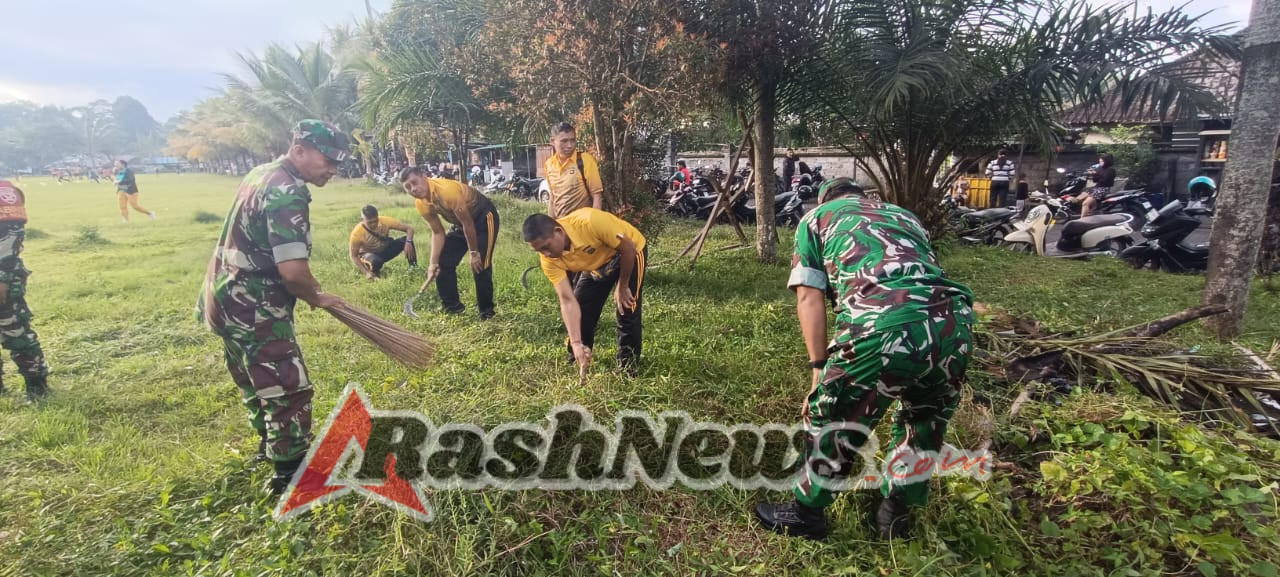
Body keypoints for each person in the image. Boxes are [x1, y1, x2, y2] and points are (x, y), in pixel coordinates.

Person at [754, 178, 975, 541]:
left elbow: (809, 297)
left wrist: (818, 370)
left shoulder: (816, 219)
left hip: (883, 324)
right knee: (924, 422)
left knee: (834, 417)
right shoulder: (906, 216)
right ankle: (894, 516)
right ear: (862, 196)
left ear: (825, 199)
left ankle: (806, 515)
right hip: (955, 325)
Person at [196, 119, 352, 495]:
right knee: (285, 388)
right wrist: (318, 296)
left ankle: (269, 448)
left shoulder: (261, 173)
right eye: (326, 159)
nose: (332, 169)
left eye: (337, 163)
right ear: (298, 150)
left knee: (253, 379)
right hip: (255, 306)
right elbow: (293, 272)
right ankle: (291, 477)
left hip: (223, 297)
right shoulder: (287, 191)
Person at [523, 208, 646, 375]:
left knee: (626, 307)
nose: (545, 254)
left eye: (546, 247)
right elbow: (567, 300)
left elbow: (628, 249)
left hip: (630, 251)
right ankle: (579, 356)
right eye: (539, 251)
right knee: (581, 306)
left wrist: (622, 287)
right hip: (595, 262)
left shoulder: (591, 222)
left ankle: (627, 368)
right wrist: (575, 342)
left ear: (558, 231)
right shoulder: (548, 260)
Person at [400, 166, 500, 320]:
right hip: (461, 224)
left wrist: (474, 253)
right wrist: (432, 263)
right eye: (408, 187)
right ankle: (452, 307)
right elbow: (438, 232)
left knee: (480, 265)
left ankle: (486, 312)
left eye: (414, 182)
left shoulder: (447, 191)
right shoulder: (421, 204)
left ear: (424, 176)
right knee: (442, 261)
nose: (413, 189)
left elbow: (469, 223)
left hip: (483, 218)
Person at [0, 179, 50, 401]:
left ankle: (36, 386)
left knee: (14, 329)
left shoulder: (5, 192)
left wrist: (2, 278)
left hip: (3, 276)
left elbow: (10, 239)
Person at [544, 122, 605, 218]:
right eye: (564, 141)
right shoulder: (549, 164)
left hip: (582, 225)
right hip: (562, 226)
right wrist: (550, 227)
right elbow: (553, 198)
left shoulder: (585, 160)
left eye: (572, 140)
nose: (569, 145)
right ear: (552, 141)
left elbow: (597, 196)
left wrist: (593, 224)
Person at [348, 205, 416, 279]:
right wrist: (366, 272)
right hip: (369, 255)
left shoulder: (385, 221)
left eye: (375, 221)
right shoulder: (356, 233)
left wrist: (408, 242)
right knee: (376, 261)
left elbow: (409, 229)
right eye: (370, 222)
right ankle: (374, 274)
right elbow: (353, 256)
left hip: (385, 250)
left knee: (406, 240)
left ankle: (414, 268)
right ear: (362, 220)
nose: (373, 224)